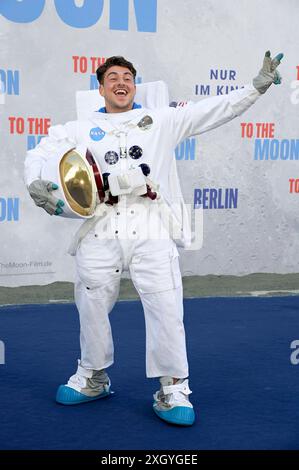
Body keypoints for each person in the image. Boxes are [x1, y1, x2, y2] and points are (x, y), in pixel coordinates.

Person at [24, 52, 283, 426]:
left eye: (127, 76)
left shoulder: (161, 120)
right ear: (100, 88)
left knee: (165, 305)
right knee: (92, 302)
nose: (121, 82)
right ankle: (94, 376)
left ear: (135, 84)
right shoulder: (79, 128)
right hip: (101, 225)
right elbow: (43, 150)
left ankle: (174, 387)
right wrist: (35, 179)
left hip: (151, 224)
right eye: (112, 77)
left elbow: (215, 109)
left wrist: (255, 87)